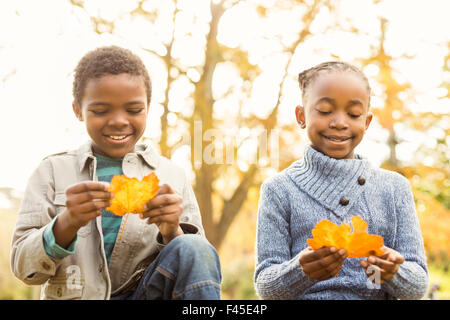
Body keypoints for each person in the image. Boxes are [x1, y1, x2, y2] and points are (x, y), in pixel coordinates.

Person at [11, 46, 221, 300]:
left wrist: (172, 231)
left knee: (194, 246)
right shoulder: (52, 172)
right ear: (78, 110)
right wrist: (66, 223)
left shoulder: (171, 176)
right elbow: (23, 268)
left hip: (145, 294)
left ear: (147, 107)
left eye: (133, 110)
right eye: (100, 111)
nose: (119, 121)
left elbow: (198, 265)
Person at [254, 61, 428, 300]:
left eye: (354, 114)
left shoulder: (394, 188)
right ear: (301, 116)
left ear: (366, 122)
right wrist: (301, 272)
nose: (339, 122)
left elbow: (418, 285)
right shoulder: (279, 189)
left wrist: (393, 273)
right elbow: (266, 286)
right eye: (325, 110)